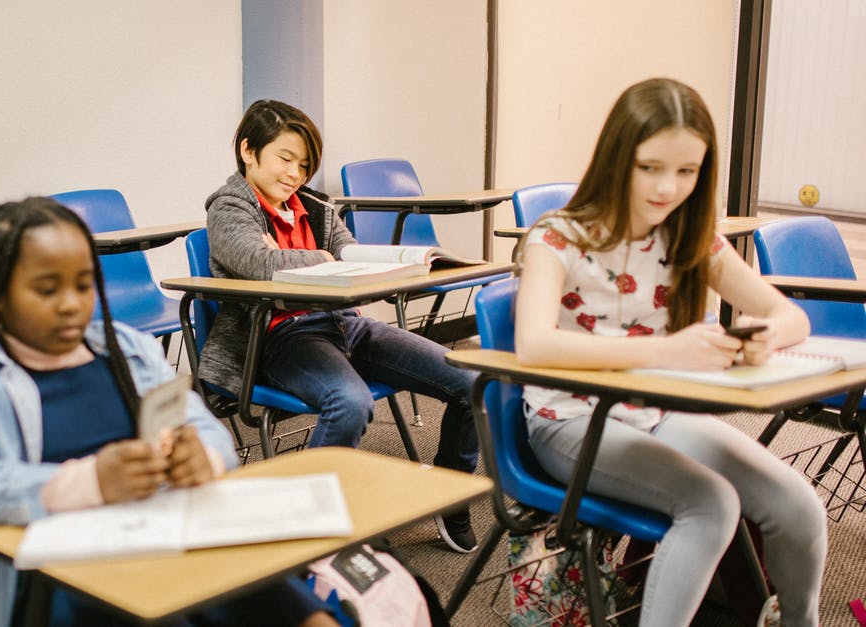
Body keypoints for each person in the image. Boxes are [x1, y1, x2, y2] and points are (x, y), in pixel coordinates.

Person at [0, 197, 337, 627]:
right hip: (61, 581)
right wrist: (89, 481)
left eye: (82, 285)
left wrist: (200, 457)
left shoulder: (127, 349)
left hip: (164, 538)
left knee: (281, 594)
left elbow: (207, 433)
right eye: (46, 290)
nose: (70, 304)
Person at [514, 77, 826, 627]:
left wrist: (762, 339)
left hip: (652, 414)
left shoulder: (689, 236)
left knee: (798, 505)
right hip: (569, 422)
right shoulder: (557, 236)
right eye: (651, 167)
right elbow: (533, 343)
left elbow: (790, 315)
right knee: (711, 506)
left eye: (688, 171)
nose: (669, 187)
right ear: (618, 158)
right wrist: (666, 350)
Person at [201, 99, 481, 552]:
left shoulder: (313, 207)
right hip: (279, 337)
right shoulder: (229, 209)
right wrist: (324, 259)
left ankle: (450, 493)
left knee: (472, 382)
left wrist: (398, 262)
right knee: (348, 402)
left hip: (343, 324)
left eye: (304, 165)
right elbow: (259, 262)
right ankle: (304, 524)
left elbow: (349, 253)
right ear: (248, 151)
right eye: (285, 159)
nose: (294, 174)